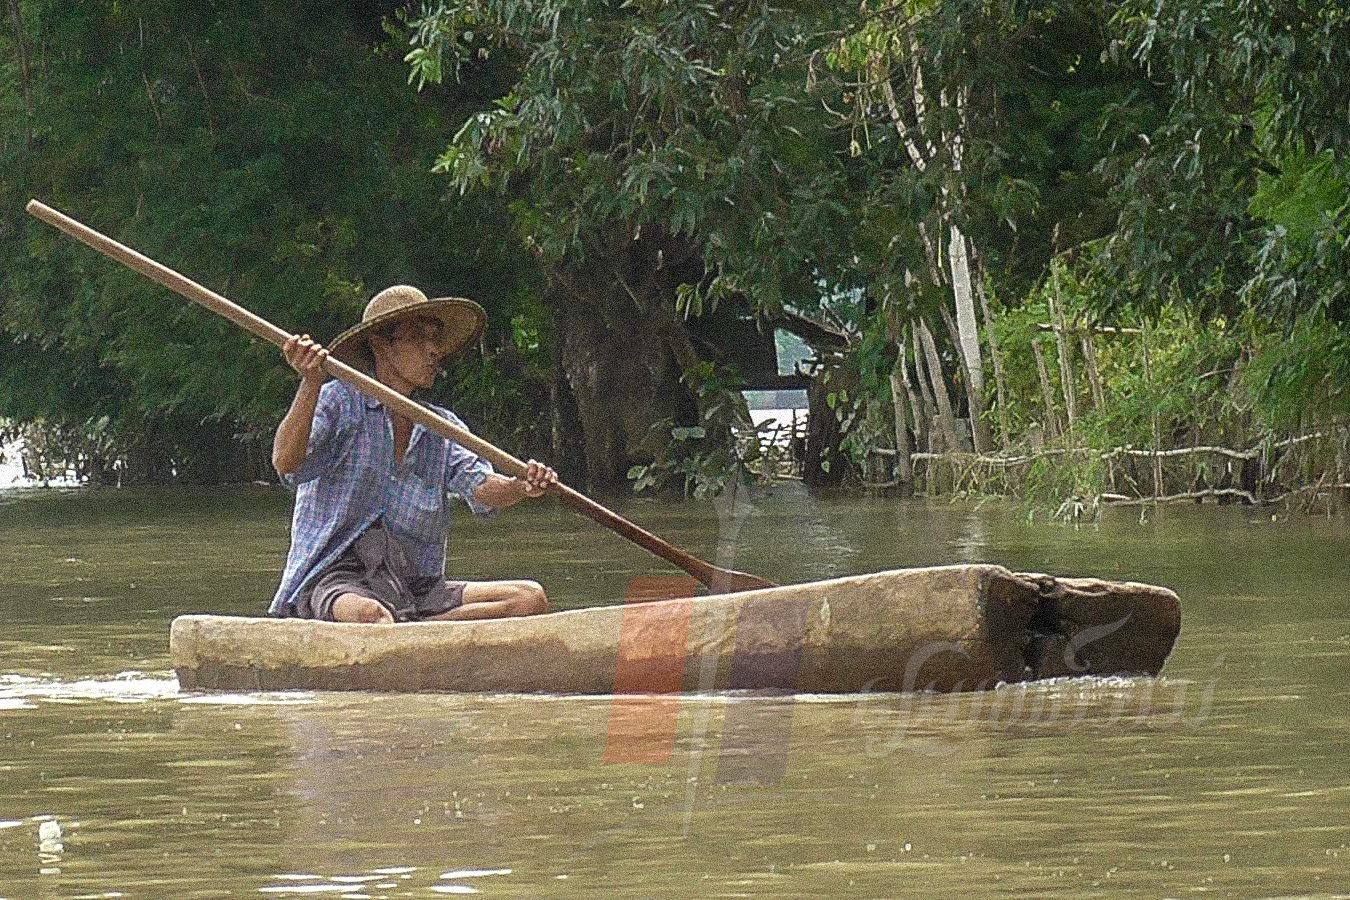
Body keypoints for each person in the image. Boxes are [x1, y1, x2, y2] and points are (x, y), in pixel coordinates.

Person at [267, 284, 558, 624]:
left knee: (529, 599)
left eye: (435, 338)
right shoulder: (339, 401)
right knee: (368, 615)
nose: (434, 350)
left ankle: (414, 629)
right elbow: (285, 463)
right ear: (380, 344)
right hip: (339, 578)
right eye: (419, 337)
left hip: (415, 587)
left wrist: (520, 485)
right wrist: (310, 383)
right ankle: (402, 628)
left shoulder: (441, 426)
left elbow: (484, 490)